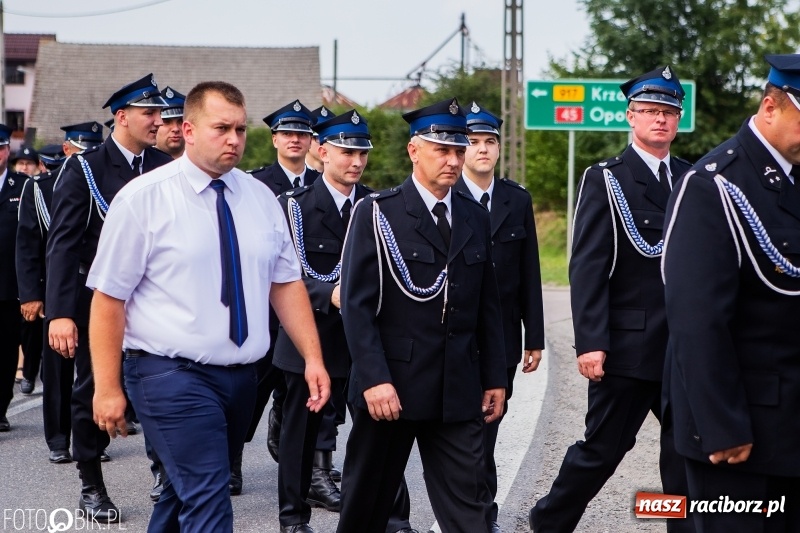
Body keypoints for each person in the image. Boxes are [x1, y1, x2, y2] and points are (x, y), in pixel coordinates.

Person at [87, 80, 330, 533]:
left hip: (240, 377)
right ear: (189, 129)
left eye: (240, 129)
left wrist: (313, 357)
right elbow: (108, 298)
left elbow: (286, 283)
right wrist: (106, 388)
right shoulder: (145, 198)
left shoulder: (260, 198)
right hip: (169, 374)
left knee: (182, 496)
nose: (234, 139)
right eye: (222, 128)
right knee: (209, 495)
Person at [529, 66, 692, 533]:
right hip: (627, 347)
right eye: (650, 111)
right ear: (631, 116)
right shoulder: (606, 178)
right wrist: (591, 341)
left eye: (668, 112)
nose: (660, 120)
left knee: (684, 452)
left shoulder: (691, 177)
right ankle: (549, 520)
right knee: (603, 449)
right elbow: (587, 265)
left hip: (680, 347)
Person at [335, 98, 507, 533]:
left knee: (472, 508)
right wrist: (374, 380)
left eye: (459, 150)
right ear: (414, 151)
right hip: (392, 388)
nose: (453, 160)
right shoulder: (378, 212)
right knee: (367, 508)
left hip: (456, 389)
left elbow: (488, 302)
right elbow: (356, 306)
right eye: (441, 150)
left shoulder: (472, 214)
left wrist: (494, 377)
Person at [662, 54, 800, 532]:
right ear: (770, 107)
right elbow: (696, 321)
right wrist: (721, 425)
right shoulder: (713, 185)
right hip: (742, 435)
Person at [45, 74, 172, 522]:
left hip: (154, 295)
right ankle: (91, 482)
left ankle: (165, 472)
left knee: (159, 382)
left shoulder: (164, 164)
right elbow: (62, 243)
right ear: (122, 117)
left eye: (159, 113)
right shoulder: (86, 167)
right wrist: (59, 313)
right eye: (149, 114)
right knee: (91, 387)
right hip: (96, 295)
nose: (159, 121)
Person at [272, 109, 373, 532]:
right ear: (322, 150)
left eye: (362, 153)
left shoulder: (375, 205)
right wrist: (327, 293)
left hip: (363, 339)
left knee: (377, 433)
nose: (355, 162)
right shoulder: (293, 206)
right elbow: (281, 272)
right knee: (300, 434)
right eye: (346, 152)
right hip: (308, 335)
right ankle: (294, 518)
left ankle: (383, 515)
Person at [455, 102, 545, 533]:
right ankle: (474, 511)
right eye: (472, 143)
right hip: (457, 335)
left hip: (504, 336)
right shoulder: (447, 196)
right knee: (465, 430)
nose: (483, 150)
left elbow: (530, 272)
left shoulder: (516, 198)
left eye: (490, 142)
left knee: (489, 426)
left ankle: (481, 509)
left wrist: (536, 336)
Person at [239, 100, 322, 483]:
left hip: (310, 308)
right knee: (250, 393)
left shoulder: (324, 186)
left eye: (302, 133)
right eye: (287, 133)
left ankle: (311, 466)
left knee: (304, 392)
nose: (295, 140)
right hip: (264, 310)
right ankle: (231, 459)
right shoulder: (254, 186)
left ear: (311, 140)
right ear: (274, 139)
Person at [0, 124, 27, 432]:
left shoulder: (22, 187)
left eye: (1, 148)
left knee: (6, 352)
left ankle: (1, 405)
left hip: (10, 286)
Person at [155, 86, 186, 158]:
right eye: (166, 121)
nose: (175, 129)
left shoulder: (202, 163)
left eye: (180, 121)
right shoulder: (141, 164)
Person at [305, 106, 336, 173]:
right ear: (307, 140)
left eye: (330, 139)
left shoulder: (341, 178)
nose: (325, 143)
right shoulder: (295, 177)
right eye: (319, 138)